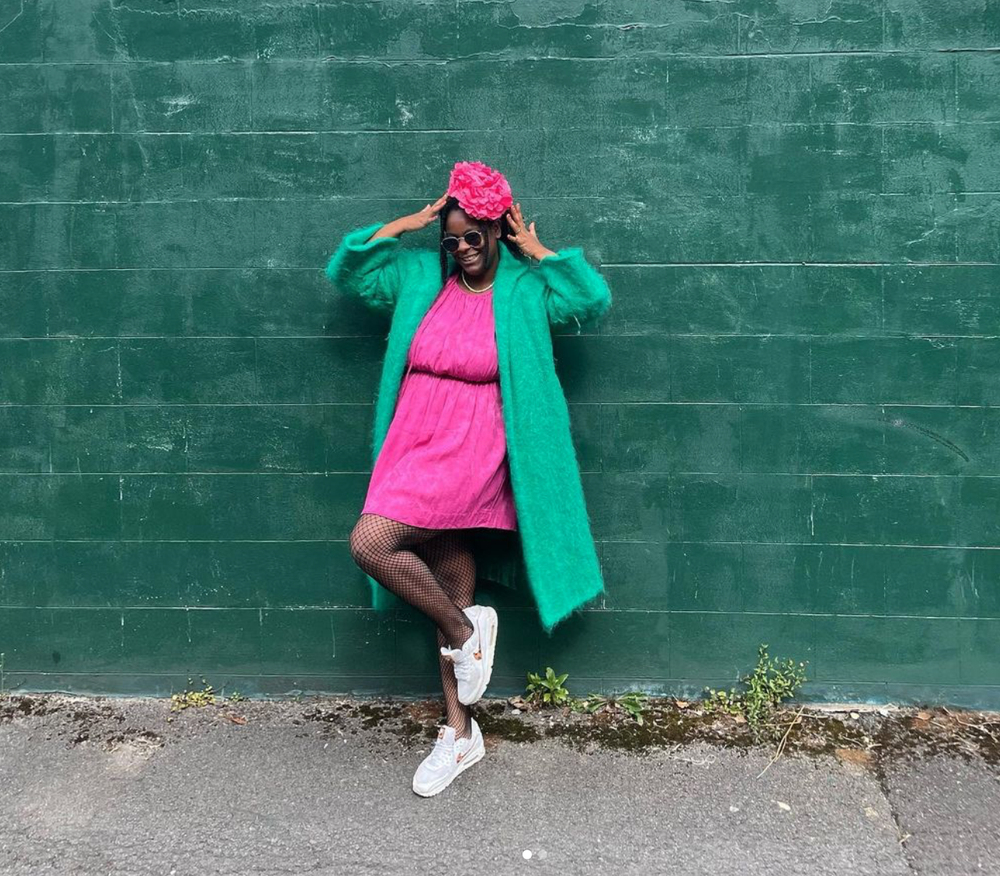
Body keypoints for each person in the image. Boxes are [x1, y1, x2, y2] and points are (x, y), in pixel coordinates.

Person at [326, 160, 610, 797]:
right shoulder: (421, 276)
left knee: (371, 542)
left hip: (473, 449)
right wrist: (406, 224)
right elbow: (352, 272)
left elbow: (589, 299)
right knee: (443, 573)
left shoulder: (524, 289)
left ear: (496, 230)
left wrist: (537, 249)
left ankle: (461, 660)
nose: (461, 250)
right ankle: (461, 714)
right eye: (451, 240)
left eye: (473, 237)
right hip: (411, 442)